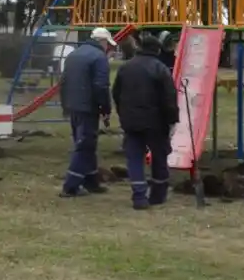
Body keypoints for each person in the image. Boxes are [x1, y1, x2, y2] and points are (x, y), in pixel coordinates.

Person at [112, 31, 180, 209]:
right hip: (156, 123)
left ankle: (139, 196)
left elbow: (116, 94)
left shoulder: (125, 68)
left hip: (131, 122)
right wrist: (172, 120)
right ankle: (158, 194)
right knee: (159, 157)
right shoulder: (160, 69)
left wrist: (123, 115)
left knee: (134, 158)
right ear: (157, 51)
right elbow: (169, 98)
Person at [58, 27, 116, 197]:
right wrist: (105, 109)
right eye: (108, 44)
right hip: (87, 108)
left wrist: (65, 105)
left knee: (85, 144)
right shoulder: (99, 58)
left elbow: (63, 82)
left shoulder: (74, 55)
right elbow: (101, 87)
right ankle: (71, 186)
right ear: (103, 42)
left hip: (72, 106)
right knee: (85, 146)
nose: (108, 48)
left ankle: (91, 182)